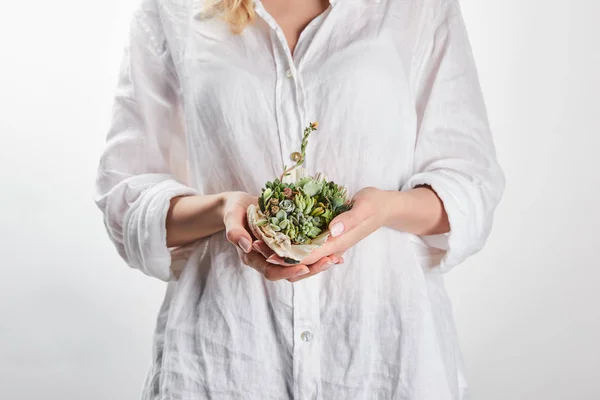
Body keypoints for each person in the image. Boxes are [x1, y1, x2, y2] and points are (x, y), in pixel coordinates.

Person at [93, 0, 505, 398]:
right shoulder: (172, 10)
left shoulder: (417, 7)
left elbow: (468, 183)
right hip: (225, 357)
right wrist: (224, 211)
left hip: (382, 355)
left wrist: (385, 209)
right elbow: (127, 197)